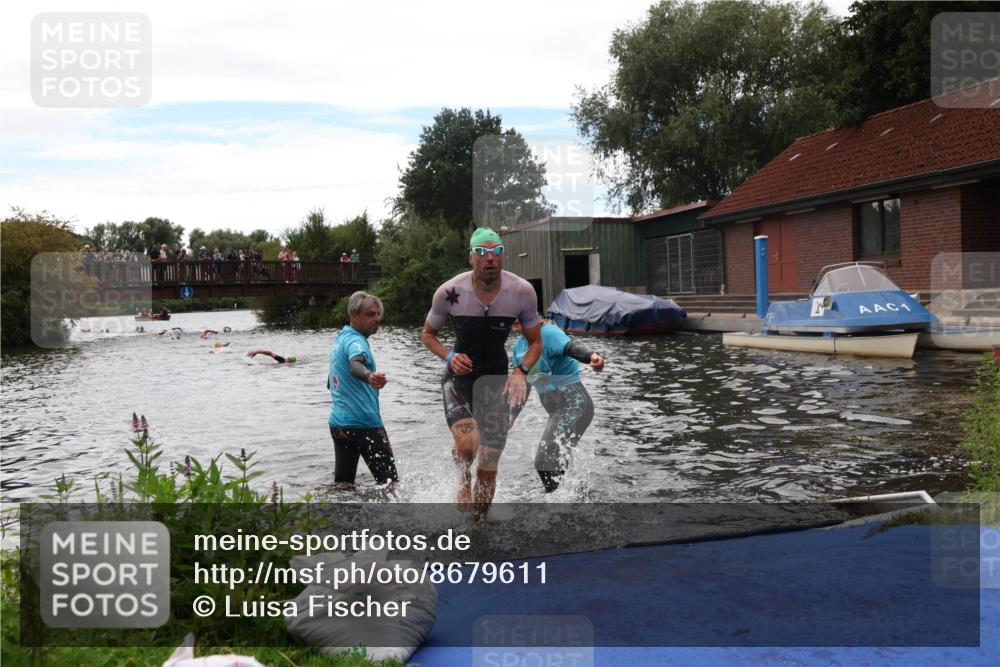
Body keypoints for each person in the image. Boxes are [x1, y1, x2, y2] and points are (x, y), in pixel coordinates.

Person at [421, 227, 542, 516]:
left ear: (502, 257)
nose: (490, 257)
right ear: (471, 258)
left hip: (496, 377)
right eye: (482, 252)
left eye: (496, 252)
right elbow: (427, 334)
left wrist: (520, 370)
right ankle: (462, 477)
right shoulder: (450, 293)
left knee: (489, 461)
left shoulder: (521, 291)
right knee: (467, 443)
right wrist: (449, 356)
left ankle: (479, 526)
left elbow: (536, 342)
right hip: (459, 377)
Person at [510, 320, 604, 492]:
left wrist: (592, 356)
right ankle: (573, 499)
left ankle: (558, 502)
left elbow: (571, 347)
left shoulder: (547, 332)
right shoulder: (518, 348)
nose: (515, 318)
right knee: (555, 460)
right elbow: (525, 384)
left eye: (520, 313)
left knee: (544, 460)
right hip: (556, 412)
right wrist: (512, 416)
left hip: (575, 405)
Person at [327, 291, 398, 489]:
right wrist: (369, 376)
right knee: (391, 486)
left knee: (343, 486)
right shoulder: (356, 342)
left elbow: (332, 382)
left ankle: (333, 517)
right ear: (354, 315)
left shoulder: (341, 339)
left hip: (339, 425)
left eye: (378, 314)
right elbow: (355, 364)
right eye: (370, 314)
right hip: (364, 423)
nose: (377, 319)